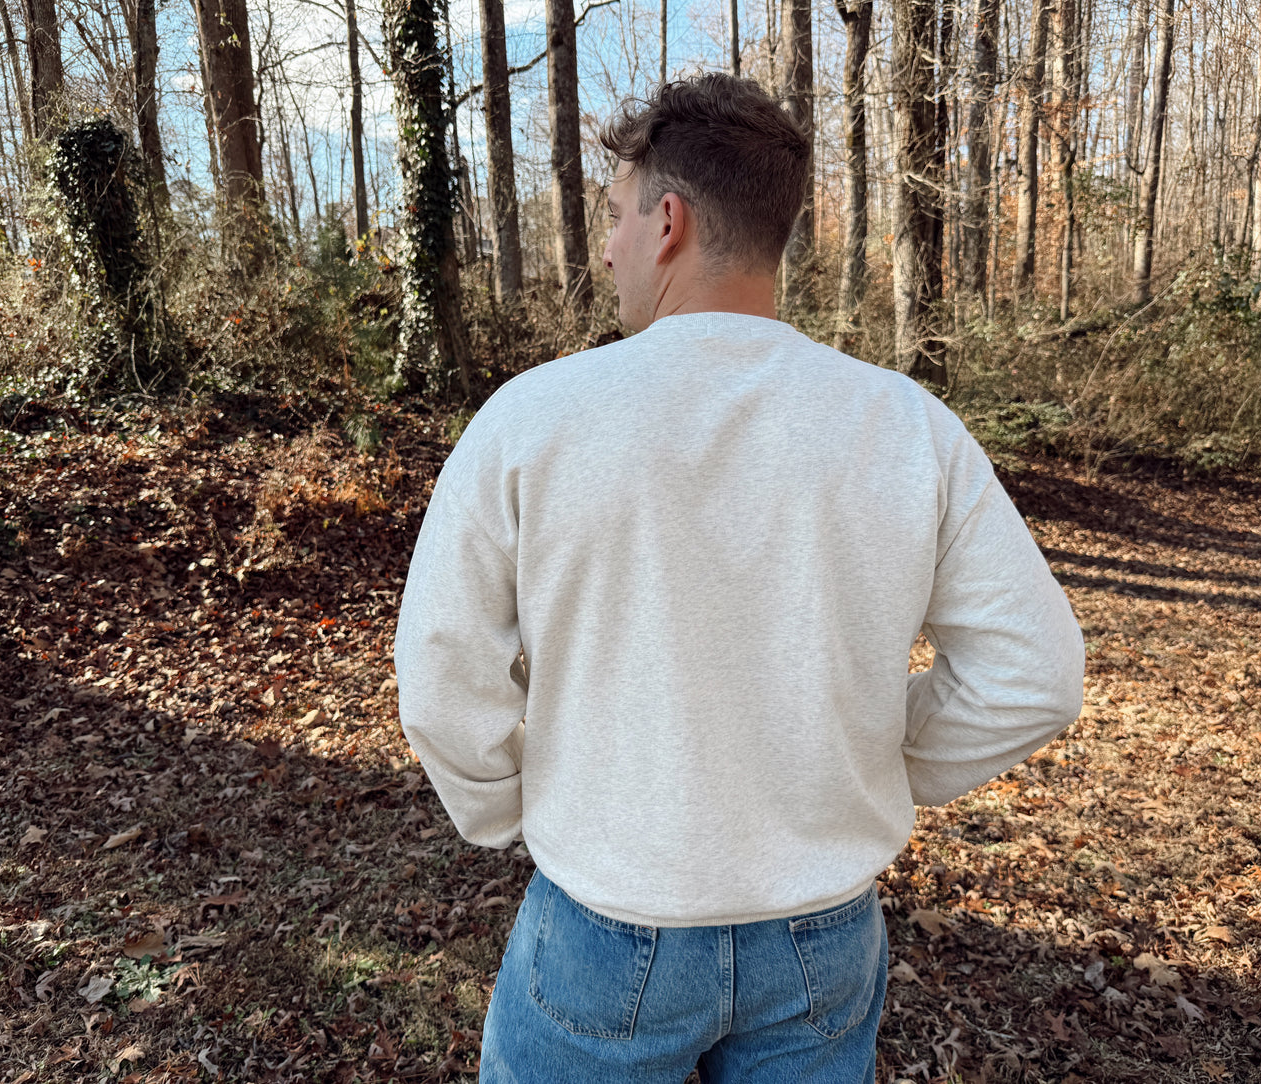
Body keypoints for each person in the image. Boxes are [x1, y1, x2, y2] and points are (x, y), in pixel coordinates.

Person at [394, 74, 1084, 1083]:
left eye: (617, 218)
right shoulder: (903, 426)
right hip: (820, 938)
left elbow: (442, 677)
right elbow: (1032, 672)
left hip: (606, 923)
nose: (609, 247)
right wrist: (880, 763)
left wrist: (509, 810)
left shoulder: (533, 420)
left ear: (665, 220)